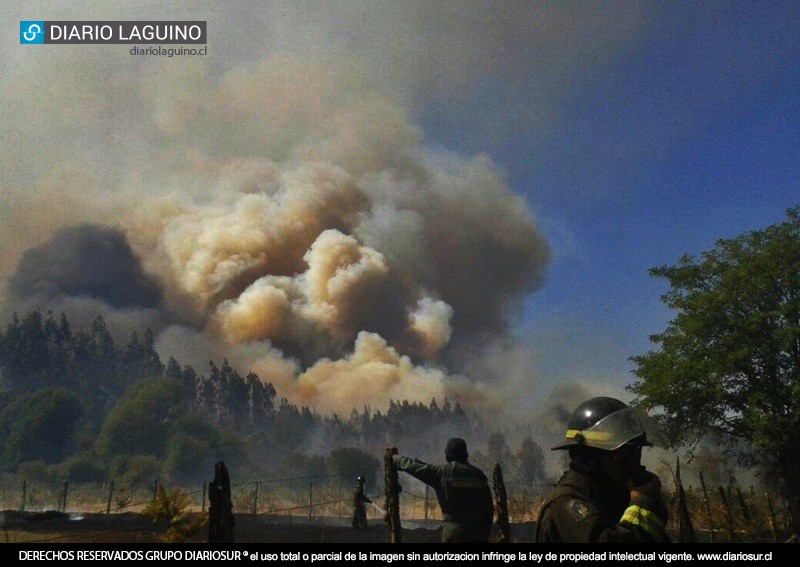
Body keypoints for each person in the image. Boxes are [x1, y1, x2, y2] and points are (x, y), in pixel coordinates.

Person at [534, 396, 671, 543]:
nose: (631, 464)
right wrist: (645, 506)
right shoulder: (568, 504)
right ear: (590, 457)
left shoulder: (612, 496)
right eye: (620, 454)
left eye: (635, 452)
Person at [392, 437, 494, 542]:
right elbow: (489, 509)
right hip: (478, 533)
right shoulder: (479, 475)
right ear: (465, 454)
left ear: (448, 455)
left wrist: (394, 459)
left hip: (454, 533)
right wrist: (485, 533)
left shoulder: (442, 473)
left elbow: (415, 467)